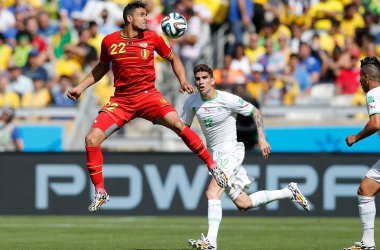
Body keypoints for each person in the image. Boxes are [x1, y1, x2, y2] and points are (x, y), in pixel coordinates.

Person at [66, 1, 227, 212]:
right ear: (129, 18)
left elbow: (173, 58)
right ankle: (100, 191)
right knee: (91, 139)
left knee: (178, 125)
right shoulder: (110, 42)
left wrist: (183, 81)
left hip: (148, 97)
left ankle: (213, 167)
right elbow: (102, 67)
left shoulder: (152, 38)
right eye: (142, 15)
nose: (147, 18)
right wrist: (80, 87)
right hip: (121, 101)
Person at [182, 64, 310, 250]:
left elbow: (255, 112)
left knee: (212, 192)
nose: (200, 82)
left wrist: (262, 138)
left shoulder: (227, 99)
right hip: (214, 155)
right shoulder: (192, 102)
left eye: (204, 78)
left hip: (230, 152)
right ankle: (289, 191)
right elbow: (183, 127)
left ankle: (211, 241)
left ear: (212, 80)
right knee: (244, 203)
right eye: (198, 79)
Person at [343, 57, 380, 250]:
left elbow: (375, 124)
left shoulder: (373, 93)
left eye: (360, 78)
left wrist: (356, 138)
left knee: (365, 190)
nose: (359, 82)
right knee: (366, 190)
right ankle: (367, 244)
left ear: (367, 77)